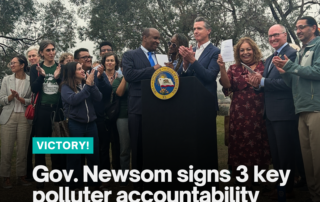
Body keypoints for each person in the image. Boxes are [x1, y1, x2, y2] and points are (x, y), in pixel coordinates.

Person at [247, 24, 303, 198]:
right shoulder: (271, 58)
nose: (272, 39)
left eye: (276, 35)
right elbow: (268, 84)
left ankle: (286, 189)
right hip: (270, 113)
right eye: (270, 36)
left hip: (285, 112)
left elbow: (289, 84)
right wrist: (257, 84)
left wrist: (263, 82)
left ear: (285, 35)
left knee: (286, 154)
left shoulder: (293, 54)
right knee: (277, 155)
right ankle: (281, 187)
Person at [273, 16, 320, 202]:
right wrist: (285, 73)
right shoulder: (300, 51)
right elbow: (296, 80)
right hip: (301, 109)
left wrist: (291, 66)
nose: (298, 30)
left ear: (314, 28)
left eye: (302, 27)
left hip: (316, 108)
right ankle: (315, 195)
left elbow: (317, 72)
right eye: (297, 28)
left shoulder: (318, 47)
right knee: (308, 161)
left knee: (318, 159)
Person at [218, 37, 271, 190]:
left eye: (248, 49)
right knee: (240, 143)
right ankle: (242, 179)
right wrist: (222, 67)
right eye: (242, 50)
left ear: (254, 50)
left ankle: (258, 179)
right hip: (239, 113)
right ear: (237, 53)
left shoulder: (264, 66)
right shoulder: (234, 68)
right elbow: (227, 86)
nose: (245, 52)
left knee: (259, 143)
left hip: (259, 111)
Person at [122, 28, 161, 191]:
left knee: (156, 145)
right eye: (155, 38)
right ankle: (139, 184)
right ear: (144, 38)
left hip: (159, 107)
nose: (158, 42)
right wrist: (152, 70)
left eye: (159, 39)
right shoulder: (130, 55)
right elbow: (130, 75)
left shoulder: (160, 57)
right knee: (138, 146)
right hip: (138, 107)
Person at [61, 62, 101, 191]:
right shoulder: (65, 87)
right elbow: (74, 100)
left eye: (82, 68)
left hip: (91, 125)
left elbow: (99, 98)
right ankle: (74, 186)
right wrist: (88, 87)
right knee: (75, 157)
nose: (83, 71)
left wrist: (91, 84)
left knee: (94, 156)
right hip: (75, 125)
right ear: (72, 72)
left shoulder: (86, 85)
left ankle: (94, 184)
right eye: (79, 69)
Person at [30, 40, 65, 189]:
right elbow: (34, 88)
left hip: (57, 110)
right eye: (48, 50)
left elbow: (66, 87)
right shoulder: (36, 68)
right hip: (42, 110)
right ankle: (40, 180)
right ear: (41, 53)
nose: (51, 53)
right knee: (41, 147)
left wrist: (58, 77)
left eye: (53, 50)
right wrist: (42, 76)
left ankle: (58, 179)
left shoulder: (60, 67)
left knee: (57, 146)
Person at [0, 55, 32, 188]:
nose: (11, 65)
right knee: (6, 150)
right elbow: (1, 100)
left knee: (22, 150)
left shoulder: (31, 80)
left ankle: (21, 176)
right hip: (9, 117)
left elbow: (33, 100)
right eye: (10, 63)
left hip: (24, 118)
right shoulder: (6, 79)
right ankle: (5, 177)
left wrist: (21, 99)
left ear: (22, 65)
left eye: (14, 63)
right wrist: (11, 97)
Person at [178, 16, 220, 109]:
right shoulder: (190, 50)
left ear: (208, 31)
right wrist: (185, 63)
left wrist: (192, 60)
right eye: (194, 29)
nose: (195, 31)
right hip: (188, 102)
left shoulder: (215, 52)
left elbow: (210, 77)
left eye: (199, 28)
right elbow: (180, 77)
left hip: (206, 103)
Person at [112, 61, 130, 187]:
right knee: (124, 149)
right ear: (122, 69)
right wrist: (126, 77)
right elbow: (119, 93)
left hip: (139, 115)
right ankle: (124, 177)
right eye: (125, 67)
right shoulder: (118, 81)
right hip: (123, 117)